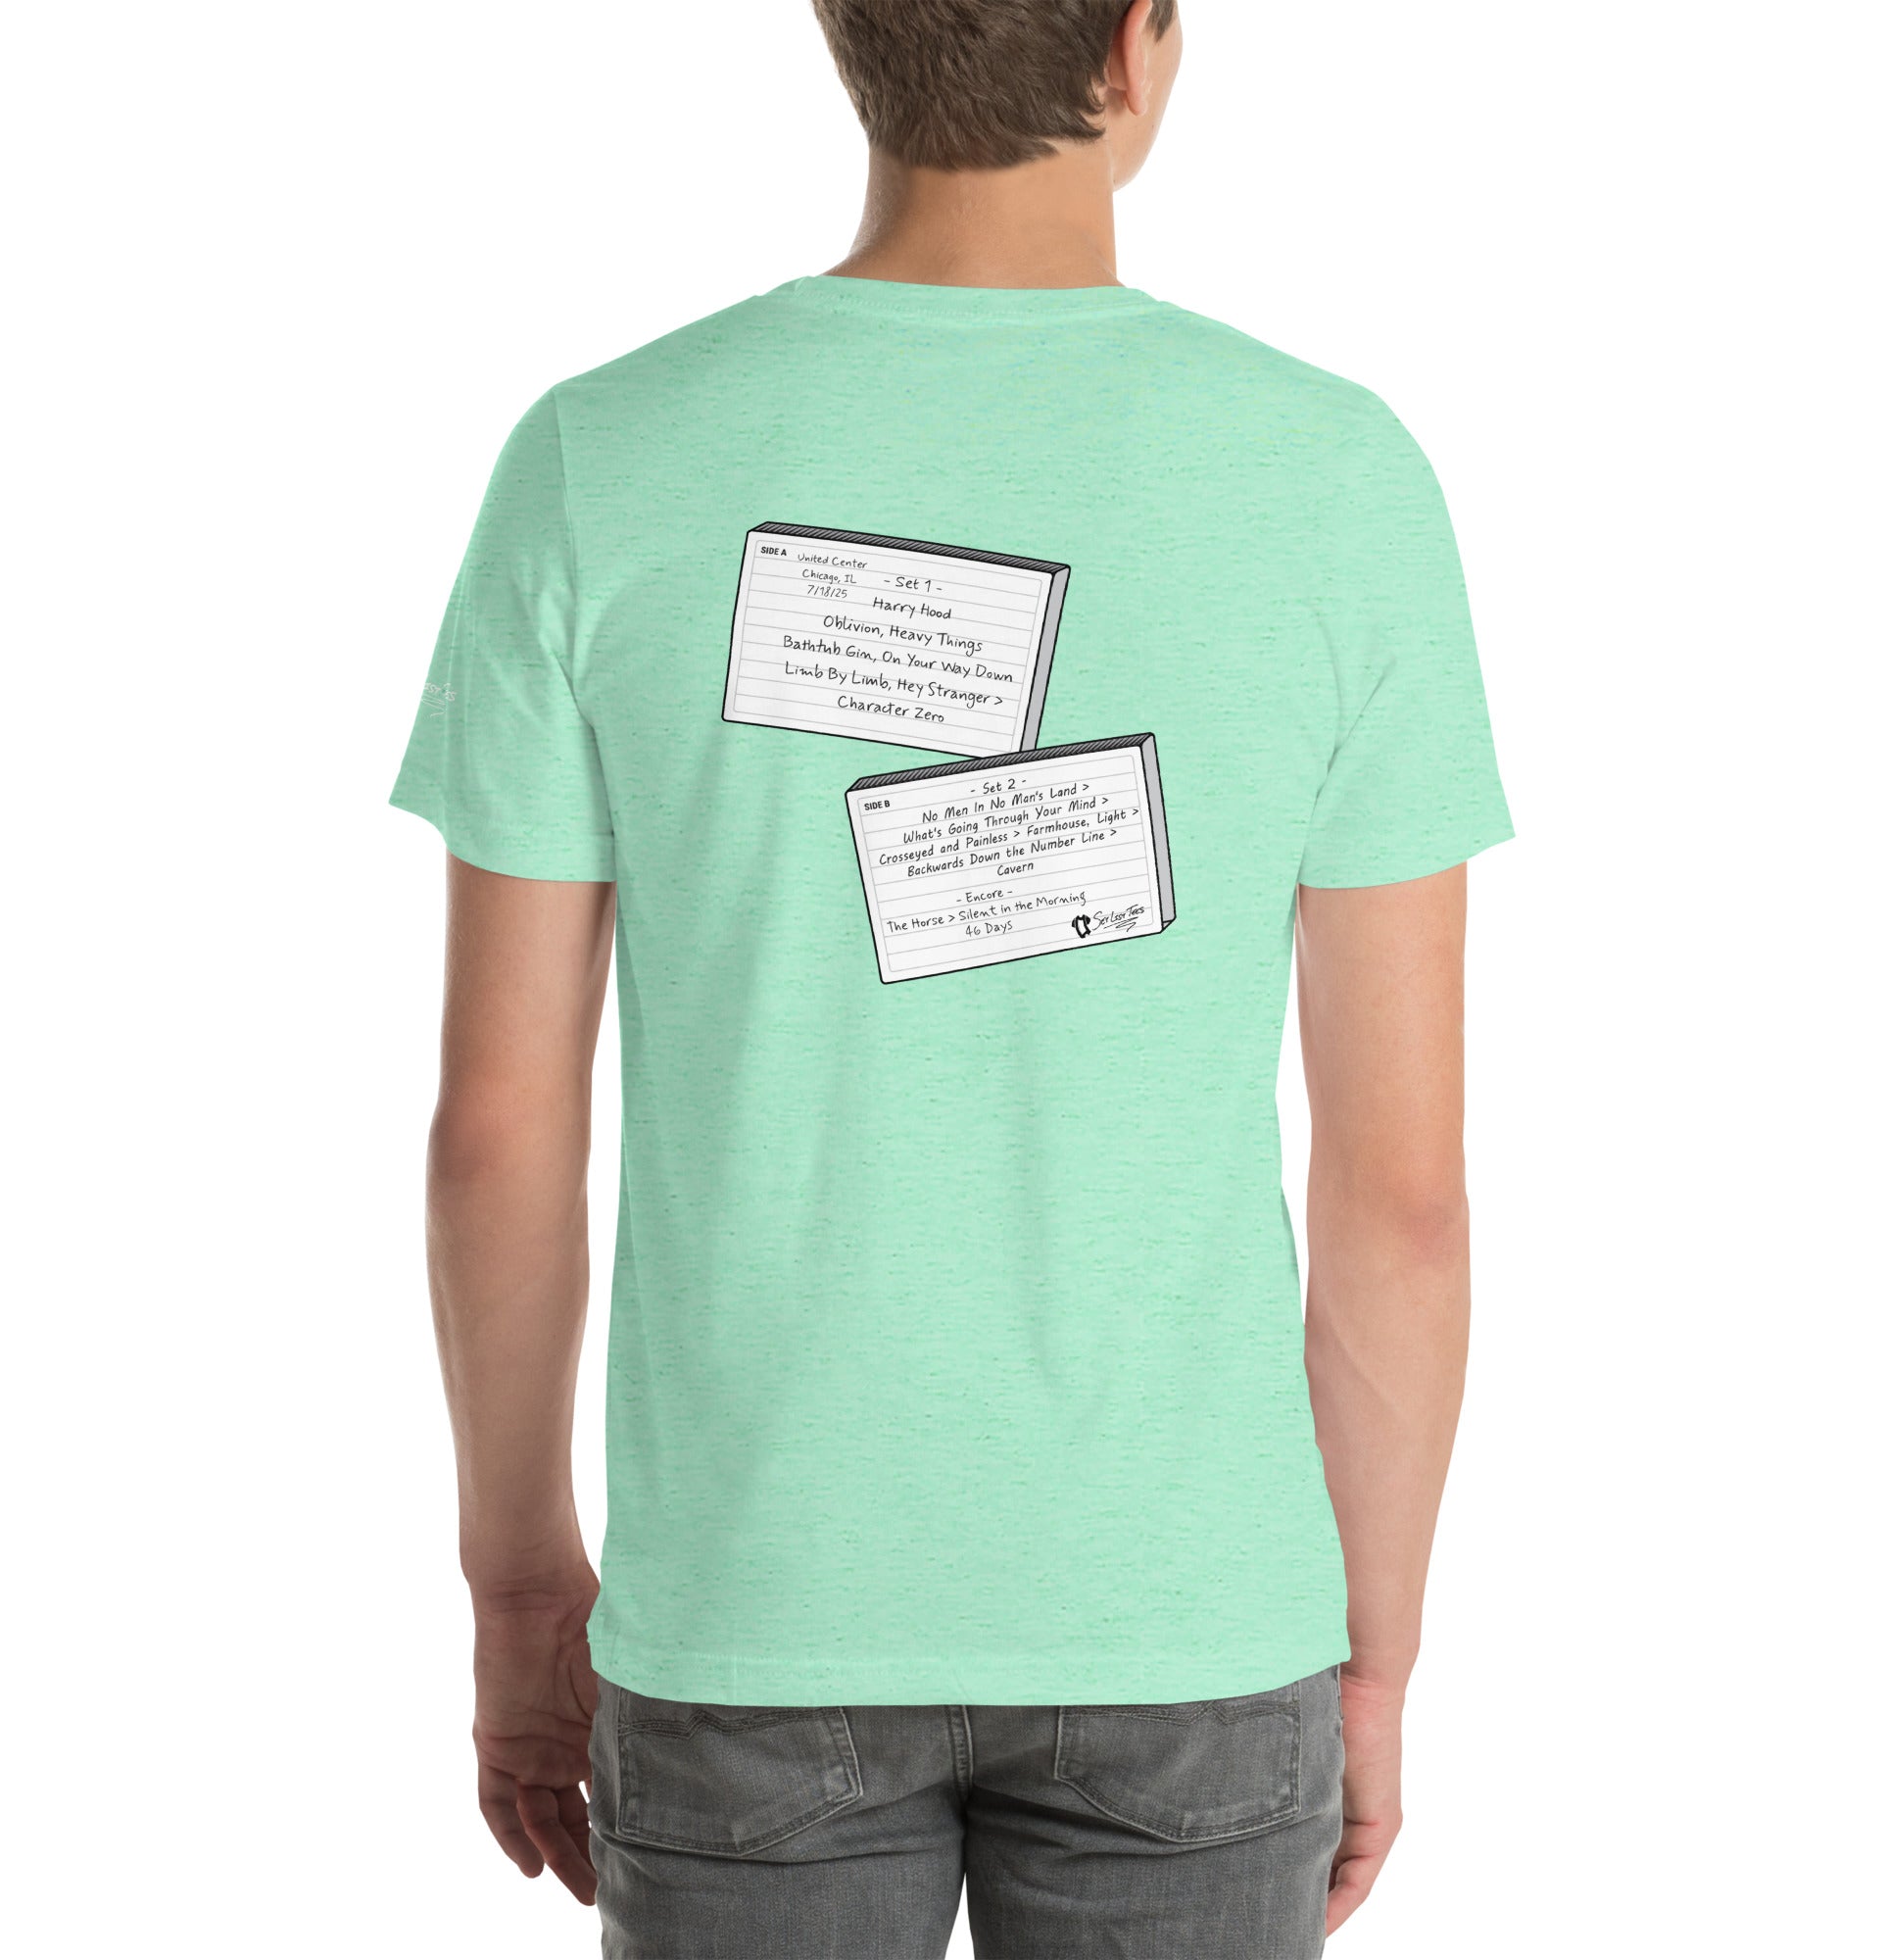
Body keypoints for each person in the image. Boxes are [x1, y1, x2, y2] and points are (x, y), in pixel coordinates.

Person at [390, 2, 1511, 1952]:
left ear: (843, 33)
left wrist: (515, 1586)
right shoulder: (1338, 479)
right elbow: (1399, 1196)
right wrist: (1373, 1649)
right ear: (1141, 41)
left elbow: (496, 1132)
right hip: (1190, 1614)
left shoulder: (601, 459)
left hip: (754, 1602)